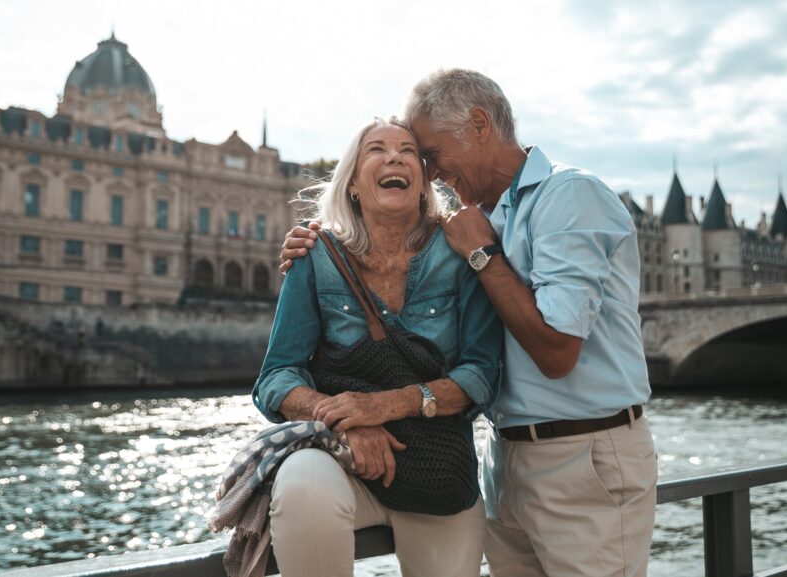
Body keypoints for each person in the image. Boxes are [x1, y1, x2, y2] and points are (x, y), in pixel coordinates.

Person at [280, 70, 657, 577]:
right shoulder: (482, 216)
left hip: (584, 455)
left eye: (428, 153)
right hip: (506, 458)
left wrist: (481, 254)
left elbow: (557, 352)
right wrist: (313, 246)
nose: (431, 173)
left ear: (478, 125)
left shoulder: (569, 196)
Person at [253, 116, 503, 577]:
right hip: (344, 461)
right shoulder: (317, 255)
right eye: (376, 149)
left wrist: (383, 406)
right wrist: (344, 420)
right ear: (352, 184)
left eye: (408, 150)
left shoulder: (460, 254)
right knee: (303, 484)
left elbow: (482, 374)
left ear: (424, 181)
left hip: (439, 472)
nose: (394, 157)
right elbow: (275, 378)